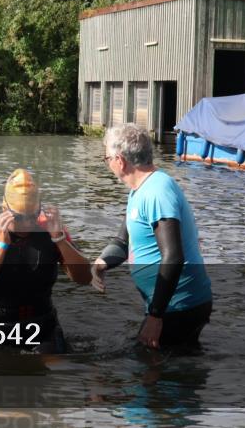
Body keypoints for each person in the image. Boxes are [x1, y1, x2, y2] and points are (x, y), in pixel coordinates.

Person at [92, 123, 212, 351]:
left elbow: (173, 257)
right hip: (169, 305)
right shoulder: (139, 190)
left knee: (148, 372)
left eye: (106, 158)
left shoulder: (157, 192)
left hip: (179, 305)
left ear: (120, 160)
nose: (106, 164)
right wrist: (101, 263)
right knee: (160, 368)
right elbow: (122, 242)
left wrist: (156, 317)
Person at [0, 168, 91, 354]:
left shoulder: (51, 230)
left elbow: (84, 278)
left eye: (32, 216)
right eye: (19, 217)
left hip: (42, 324)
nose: (26, 223)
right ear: (4, 209)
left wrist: (59, 239)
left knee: (58, 373)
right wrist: (1, 246)